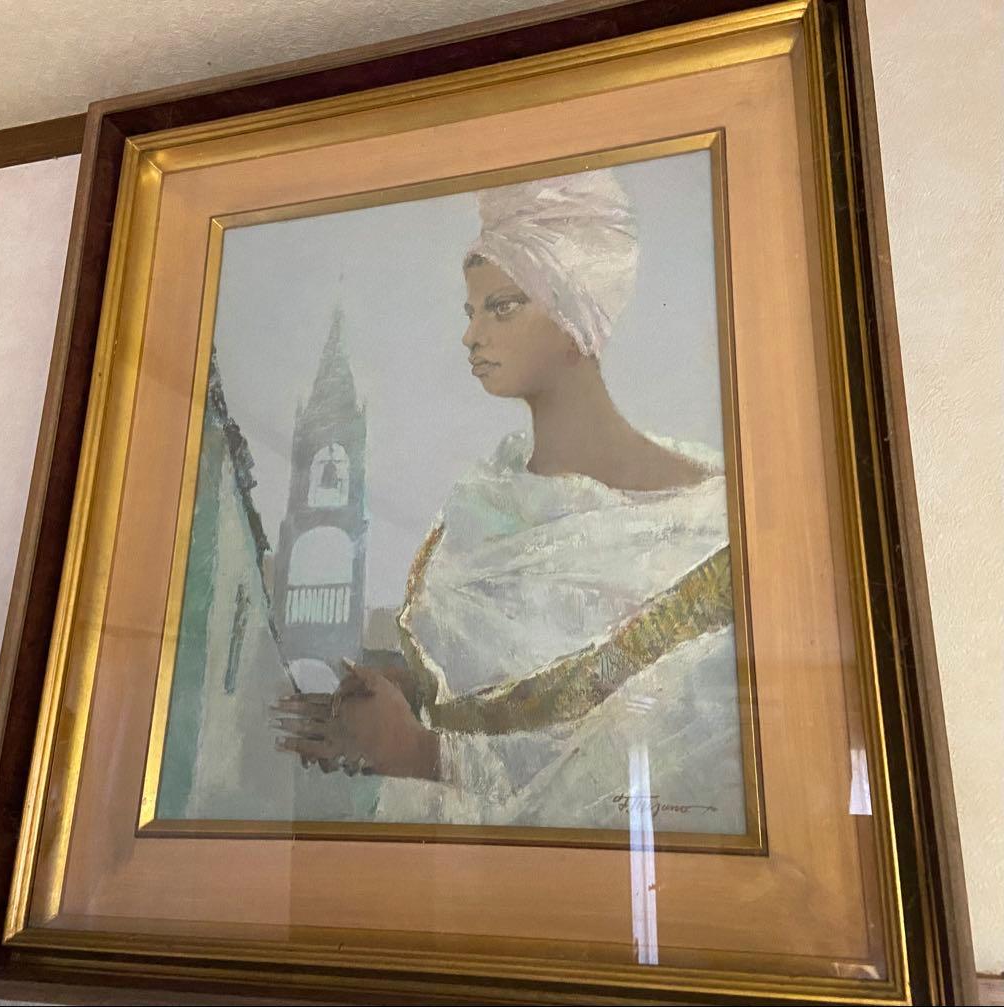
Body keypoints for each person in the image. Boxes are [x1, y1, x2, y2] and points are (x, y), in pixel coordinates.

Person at [273, 169, 746, 833]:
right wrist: (410, 695)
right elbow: (482, 697)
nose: (471, 336)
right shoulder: (482, 501)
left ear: (574, 319)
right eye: (471, 313)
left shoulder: (711, 527)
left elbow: (641, 779)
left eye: (502, 307)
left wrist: (419, 751)